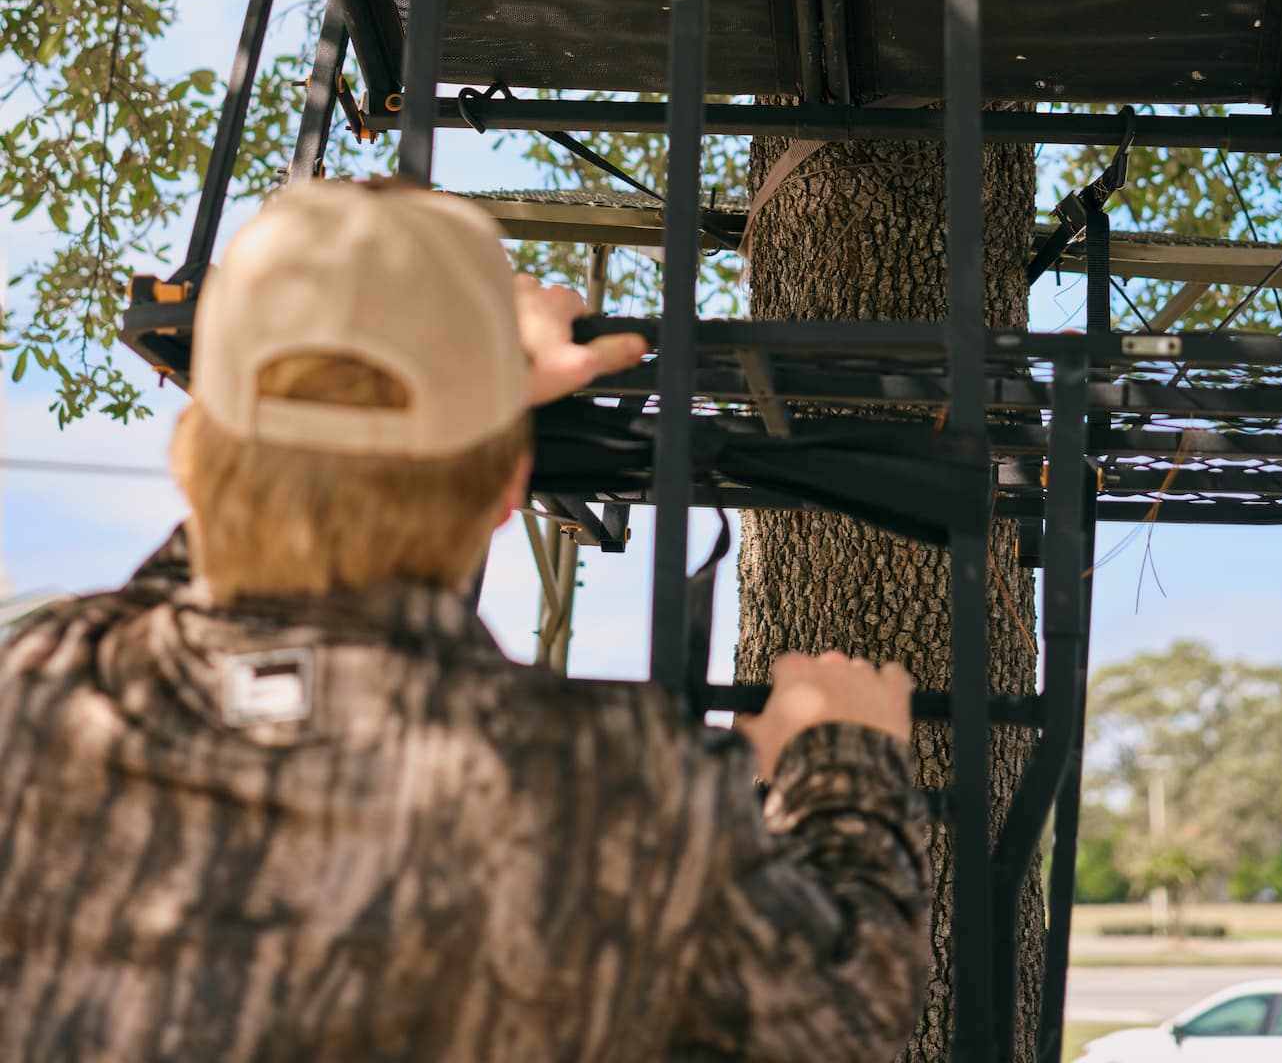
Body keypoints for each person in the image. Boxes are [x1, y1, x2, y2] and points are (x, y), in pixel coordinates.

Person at [0, 178, 931, 1061]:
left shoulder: (41, 690)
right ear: (507, 491)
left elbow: (195, 587)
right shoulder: (612, 782)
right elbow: (840, 1020)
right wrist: (845, 768)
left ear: (194, 459)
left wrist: (436, 399)